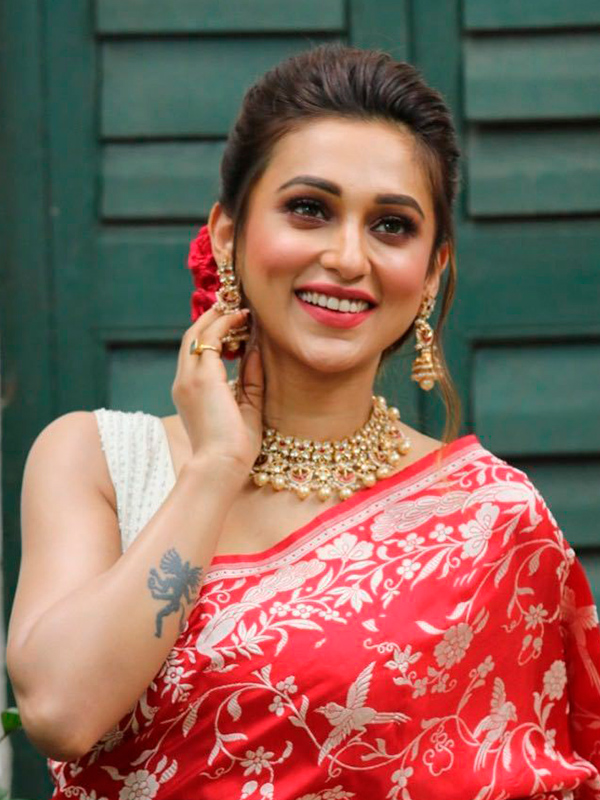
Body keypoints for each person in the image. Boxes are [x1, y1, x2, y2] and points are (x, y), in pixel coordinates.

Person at [6, 43, 600, 800]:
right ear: (227, 235)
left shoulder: (491, 520)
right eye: (310, 209)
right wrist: (215, 468)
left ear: (433, 271)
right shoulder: (98, 460)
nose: (348, 257)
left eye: (391, 225)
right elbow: (61, 712)